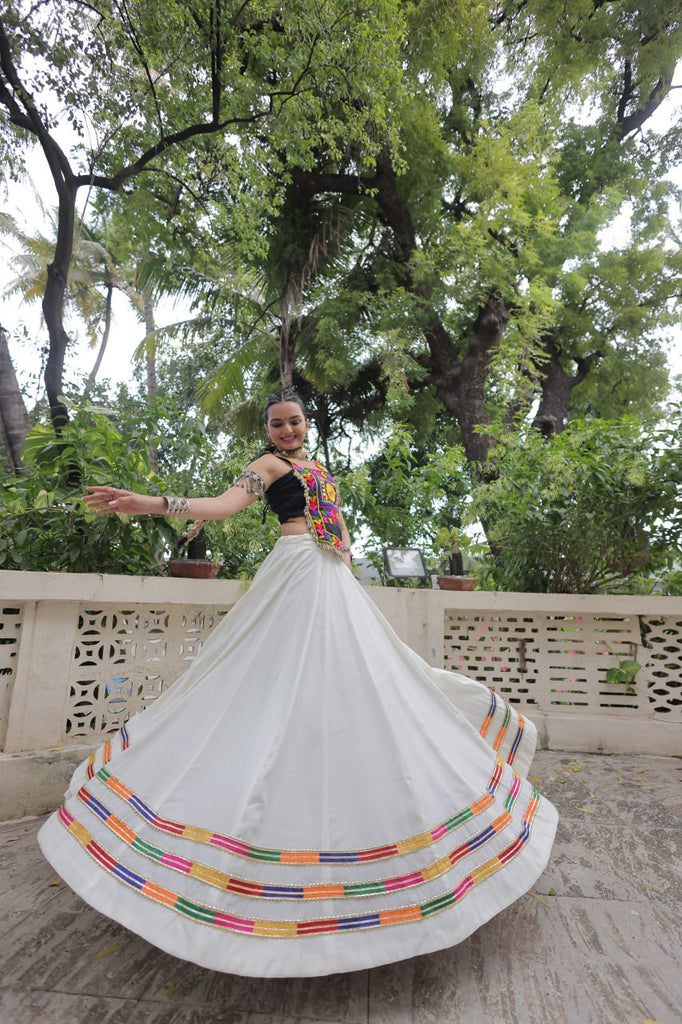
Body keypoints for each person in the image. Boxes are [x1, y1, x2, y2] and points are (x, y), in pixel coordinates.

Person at [38, 390, 558, 979]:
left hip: (331, 575)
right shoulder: (267, 466)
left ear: (307, 424)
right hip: (294, 569)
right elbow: (222, 506)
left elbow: (338, 529)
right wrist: (147, 503)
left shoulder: (319, 468)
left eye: (294, 421)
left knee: (362, 677)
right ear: (267, 431)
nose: (287, 430)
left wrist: (347, 568)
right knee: (273, 682)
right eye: (277, 424)